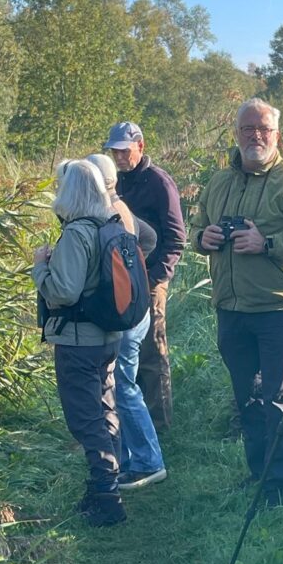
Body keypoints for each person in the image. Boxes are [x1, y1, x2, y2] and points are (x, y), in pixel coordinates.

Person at [189, 98, 283, 506]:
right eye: (248, 129)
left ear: (277, 134)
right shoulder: (218, 182)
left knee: (279, 397)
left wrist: (267, 244)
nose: (256, 136)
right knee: (246, 396)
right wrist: (203, 239)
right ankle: (257, 474)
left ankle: (279, 485)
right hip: (230, 307)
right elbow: (194, 227)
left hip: (277, 308)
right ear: (237, 133)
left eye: (264, 129)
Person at [32, 159, 125, 527]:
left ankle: (106, 495)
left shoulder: (77, 232)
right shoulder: (109, 225)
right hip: (107, 336)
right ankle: (107, 484)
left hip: (78, 341)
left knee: (85, 419)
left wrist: (40, 266)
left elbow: (65, 292)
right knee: (106, 410)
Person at [86, 153, 167, 491]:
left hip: (129, 317)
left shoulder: (112, 212)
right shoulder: (118, 206)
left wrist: (131, 274)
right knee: (121, 384)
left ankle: (149, 461)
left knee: (123, 386)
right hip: (133, 311)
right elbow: (147, 238)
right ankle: (136, 458)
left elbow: (151, 239)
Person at [104, 121, 186, 433]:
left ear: (141, 146)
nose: (120, 156)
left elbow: (177, 238)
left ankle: (160, 426)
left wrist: (154, 280)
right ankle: (130, 420)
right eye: (115, 151)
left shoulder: (158, 182)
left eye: (125, 150)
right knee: (124, 349)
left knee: (152, 349)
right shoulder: (114, 183)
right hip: (121, 278)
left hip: (150, 279)